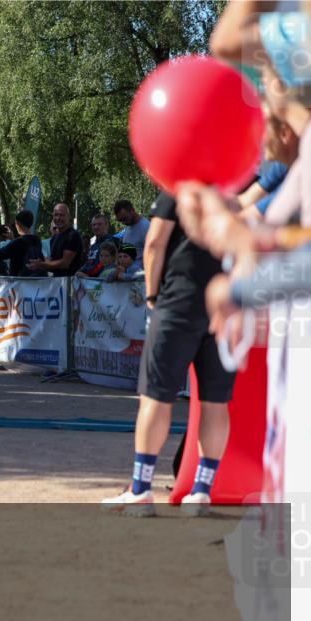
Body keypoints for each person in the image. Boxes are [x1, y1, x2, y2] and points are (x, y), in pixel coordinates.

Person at [101, 191, 235, 516]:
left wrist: (151, 296)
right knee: (215, 402)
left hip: (179, 302)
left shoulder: (179, 188)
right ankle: (202, 491)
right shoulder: (240, 189)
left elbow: (154, 244)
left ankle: (141, 489)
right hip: (227, 304)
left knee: (156, 397)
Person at [27, 203, 84, 277]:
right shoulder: (55, 237)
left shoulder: (72, 235)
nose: (58, 218)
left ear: (68, 217)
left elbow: (65, 264)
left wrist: (41, 264)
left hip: (70, 283)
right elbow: (52, 261)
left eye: (61, 215)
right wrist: (41, 261)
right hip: (56, 282)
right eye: (56, 215)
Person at [0, 209, 46, 277]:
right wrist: (12, 239)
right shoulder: (37, 240)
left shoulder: (18, 242)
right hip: (34, 279)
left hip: (19, 280)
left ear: (18, 224)